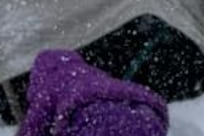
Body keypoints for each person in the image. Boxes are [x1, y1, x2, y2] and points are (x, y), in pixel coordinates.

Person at [18, 49, 168, 136]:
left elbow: (33, 128)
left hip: (96, 122)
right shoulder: (93, 75)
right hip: (145, 117)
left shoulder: (47, 86)